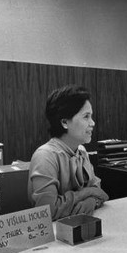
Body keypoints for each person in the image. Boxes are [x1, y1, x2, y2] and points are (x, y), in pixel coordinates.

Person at [28, 84, 109, 221]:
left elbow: (100, 193)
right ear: (65, 122)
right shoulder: (45, 156)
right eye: (86, 117)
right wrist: (87, 192)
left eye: (91, 116)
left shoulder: (81, 151)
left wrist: (91, 202)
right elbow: (48, 211)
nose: (93, 123)